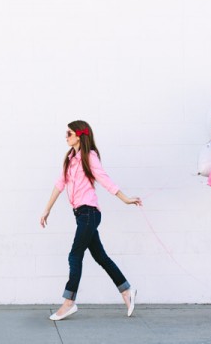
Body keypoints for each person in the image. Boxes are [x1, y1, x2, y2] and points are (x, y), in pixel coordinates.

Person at [40, 120, 142, 321]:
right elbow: (59, 184)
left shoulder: (90, 156)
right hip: (81, 215)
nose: (66, 136)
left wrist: (126, 199)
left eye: (69, 133)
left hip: (89, 214)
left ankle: (69, 302)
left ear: (79, 134)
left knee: (74, 255)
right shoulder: (70, 158)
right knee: (100, 257)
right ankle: (126, 291)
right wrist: (47, 210)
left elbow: (105, 179)